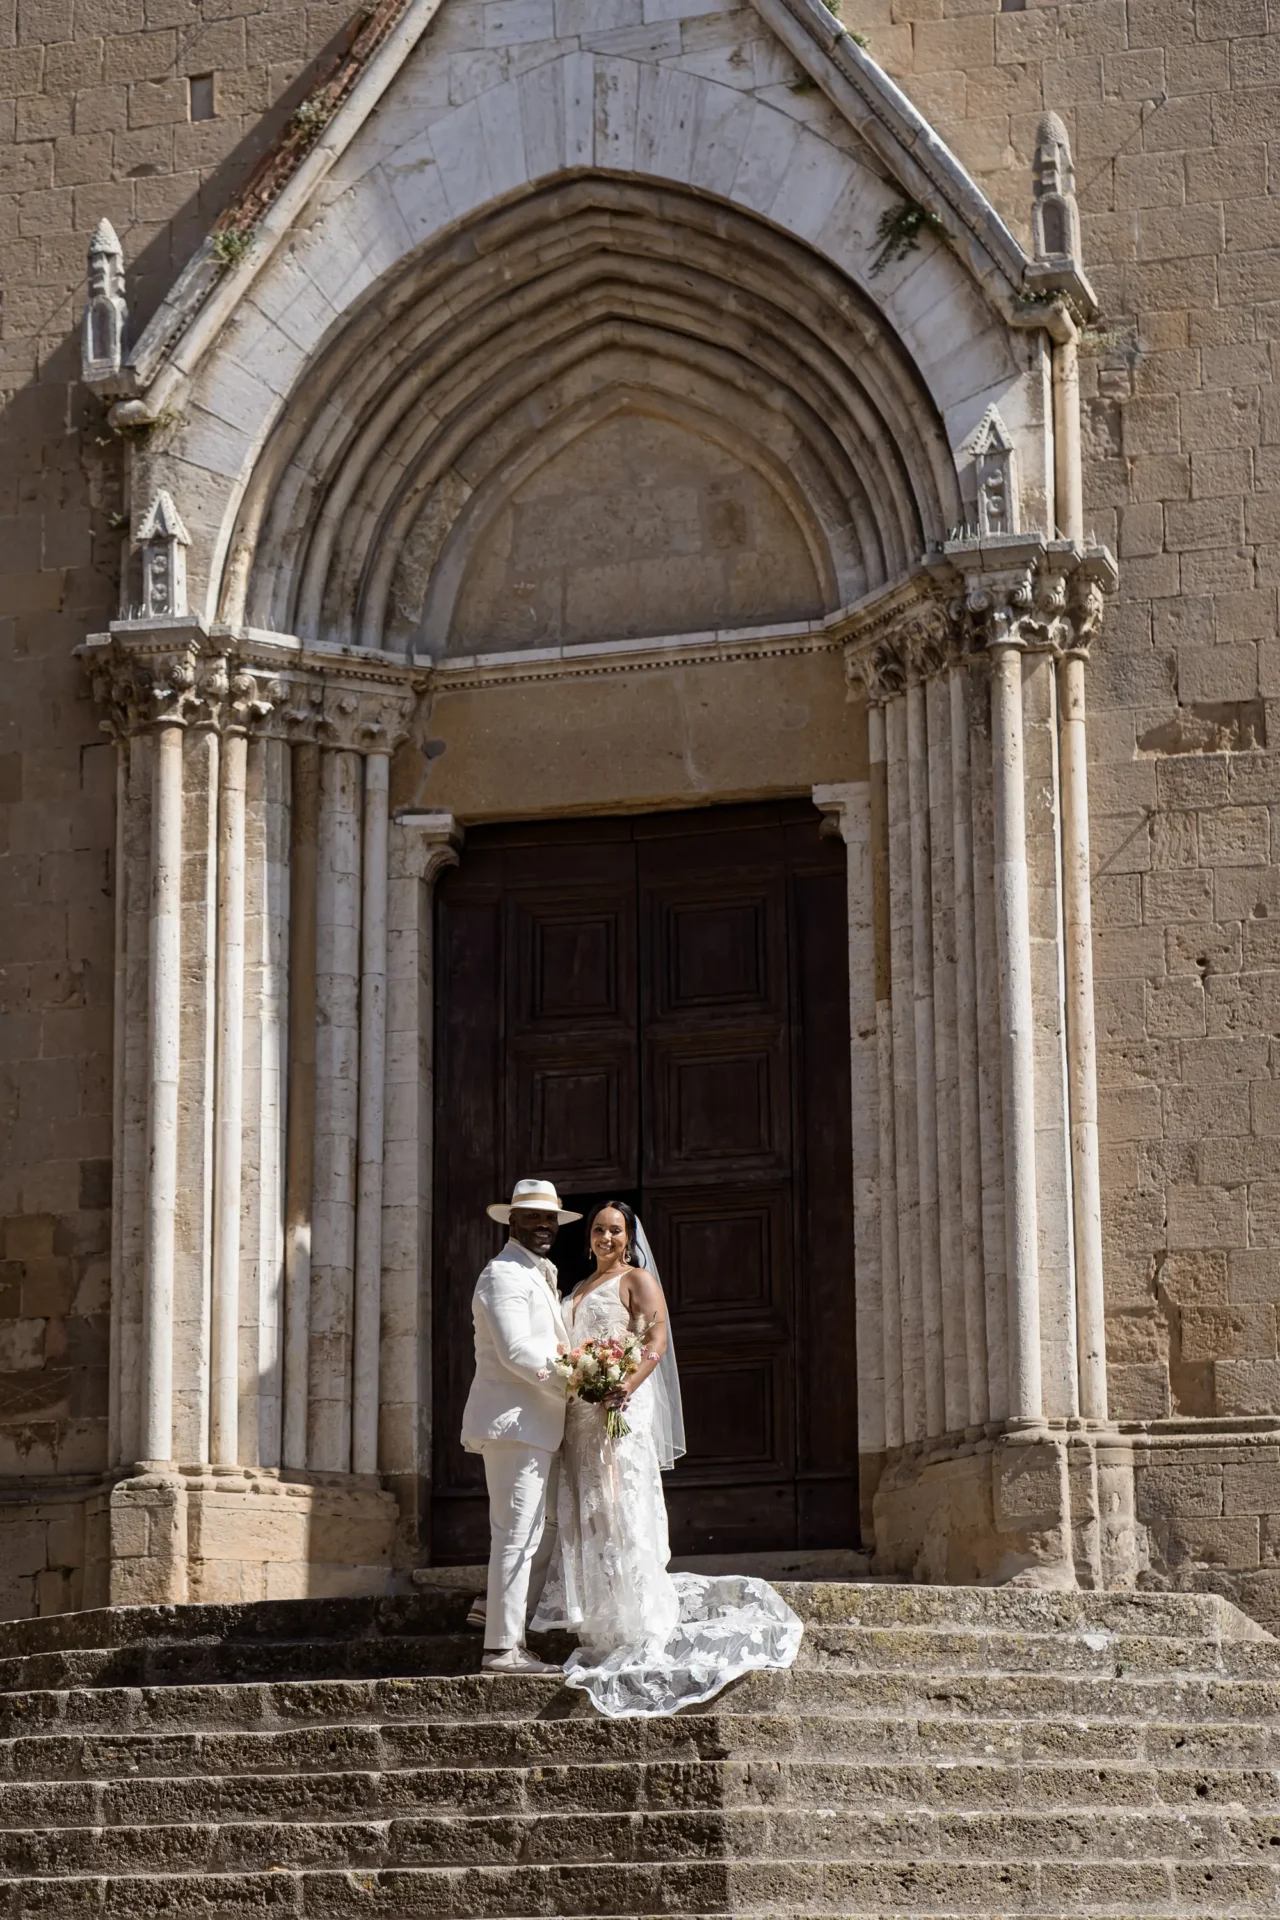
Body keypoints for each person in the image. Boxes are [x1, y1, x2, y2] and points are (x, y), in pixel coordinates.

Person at [532, 1199, 802, 1717]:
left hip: (620, 1406)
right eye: (597, 1230)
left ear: (629, 1238)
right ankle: (604, 1620)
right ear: (587, 1236)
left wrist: (623, 1386)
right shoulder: (577, 1288)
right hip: (583, 1415)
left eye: (615, 1230)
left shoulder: (636, 1281)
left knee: (622, 1504)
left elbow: (655, 1340)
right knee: (591, 1509)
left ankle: (639, 1618)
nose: (605, 1237)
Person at [460, 1177, 580, 1675]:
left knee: (539, 1530)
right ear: (512, 1222)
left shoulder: (537, 1272)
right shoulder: (503, 1274)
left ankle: (500, 1617)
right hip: (515, 1423)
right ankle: (501, 1650)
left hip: (538, 1424)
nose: (544, 1226)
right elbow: (514, 1351)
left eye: (549, 1217)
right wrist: (577, 1378)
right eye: (532, 1217)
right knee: (515, 1534)